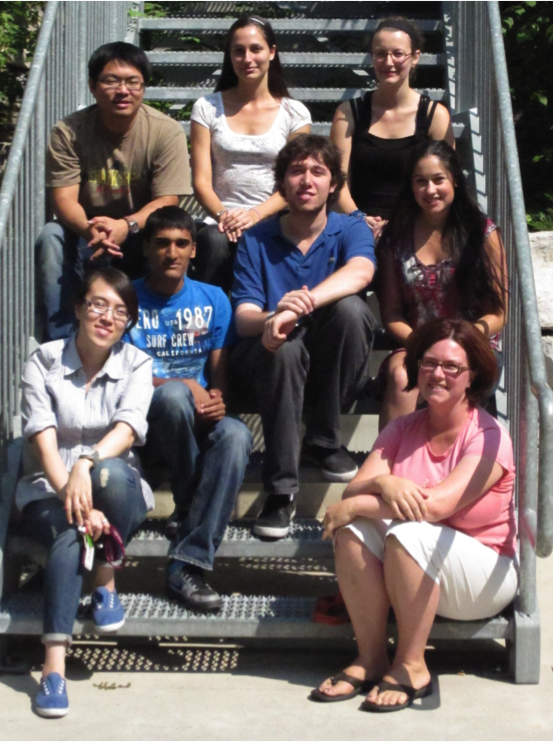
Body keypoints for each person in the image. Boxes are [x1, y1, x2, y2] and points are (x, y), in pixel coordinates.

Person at [312, 318, 518, 712]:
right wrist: (384, 484)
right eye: (429, 363)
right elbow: (355, 487)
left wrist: (357, 503)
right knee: (354, 531)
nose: (437, 374)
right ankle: (371, 658)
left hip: (484, 576)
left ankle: (411, 666)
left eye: (452, 367)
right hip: (421, 568)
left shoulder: (489, 438)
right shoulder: (404, 427)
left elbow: (433, 507)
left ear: (472, 377)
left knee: (405, 533)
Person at [16, 268, 154, 718]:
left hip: (116, 488)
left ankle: (105, 574)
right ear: (78, 308)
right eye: (97, 305)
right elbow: (43, 439)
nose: (107, 317)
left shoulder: (137, 363)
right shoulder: (43, 361)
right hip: (47, 491)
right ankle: (54, 666)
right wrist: (72, 497)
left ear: (128, 322)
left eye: (120, 311)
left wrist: (85, 463)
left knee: (109, 473)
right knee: (72, 535)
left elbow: (128, 429)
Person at [231, 134, 376, 540]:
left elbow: (361, 273)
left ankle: (324, 440)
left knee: (352, 311)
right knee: (284, 349)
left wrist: (297, 307)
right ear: (282, 183)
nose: (307, 180)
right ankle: (281, 492)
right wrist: (273, 319)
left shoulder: (351, 228)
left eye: (318, 171)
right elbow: (243, 317)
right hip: (270, 356)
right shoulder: (256, 238)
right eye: (296, 171)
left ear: (334, 184)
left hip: (328, 356)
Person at [126, 206, 252, 610]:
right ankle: (188, 500)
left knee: (237, 435)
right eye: (162, 243)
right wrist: (180, 384)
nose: (172, 252)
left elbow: (219, 371)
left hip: (195, 418)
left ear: (194, 250)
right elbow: (123, 375)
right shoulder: (127, 298)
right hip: (146, 424)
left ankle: (187, 564)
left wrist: (217, 398)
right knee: (173, 396)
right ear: (146, 248)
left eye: (182, 243)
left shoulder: (213, 298)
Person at [36, 41, 192, 340]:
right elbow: (63, 200)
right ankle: (62, 343)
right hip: (87, 233)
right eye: (111, 81)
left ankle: (154, 336)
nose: (123, 90)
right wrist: (91, 230)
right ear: (92, 86)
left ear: (143, 87)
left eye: (133, 82)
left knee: (171, 237)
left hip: (141, 233)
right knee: (52, 236)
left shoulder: (165, 131)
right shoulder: (69, 132)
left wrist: (126, 225)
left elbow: (167, 200)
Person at [377, 140, 507, 430]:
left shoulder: (483, 234)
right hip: (416, 344)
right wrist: (424, 346)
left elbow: (498, 312)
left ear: (455, 181)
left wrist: (463, 340)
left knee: (458, 374)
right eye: (421, 182)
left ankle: (449, 453)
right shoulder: (395, 238)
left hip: (474, 344)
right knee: (401, 376)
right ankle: (389, 457)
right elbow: (392, 314)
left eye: (438, 180)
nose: (430, 190)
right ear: (411, 187)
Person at [190, 14, 311, 291]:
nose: (247, 58)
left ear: (272, 52)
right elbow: (200, 182)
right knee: (214, 240)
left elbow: (294, 182)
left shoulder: (295, 113)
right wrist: (225, 217)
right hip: (219, 220)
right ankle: (212, 315)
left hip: (275, 219)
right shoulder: (207, 107)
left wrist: (256, 215)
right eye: (238, 51)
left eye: (256, 49)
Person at [330, 16, 454, 239]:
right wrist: (360, 219)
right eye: (380, 54)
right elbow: (337, 182)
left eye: (398, 54)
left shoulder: (435, 116)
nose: (388, 63)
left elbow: (445, 184)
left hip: (417, 230)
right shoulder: (348, 114)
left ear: (415, 57)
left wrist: (400, 224)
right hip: (358, 228)